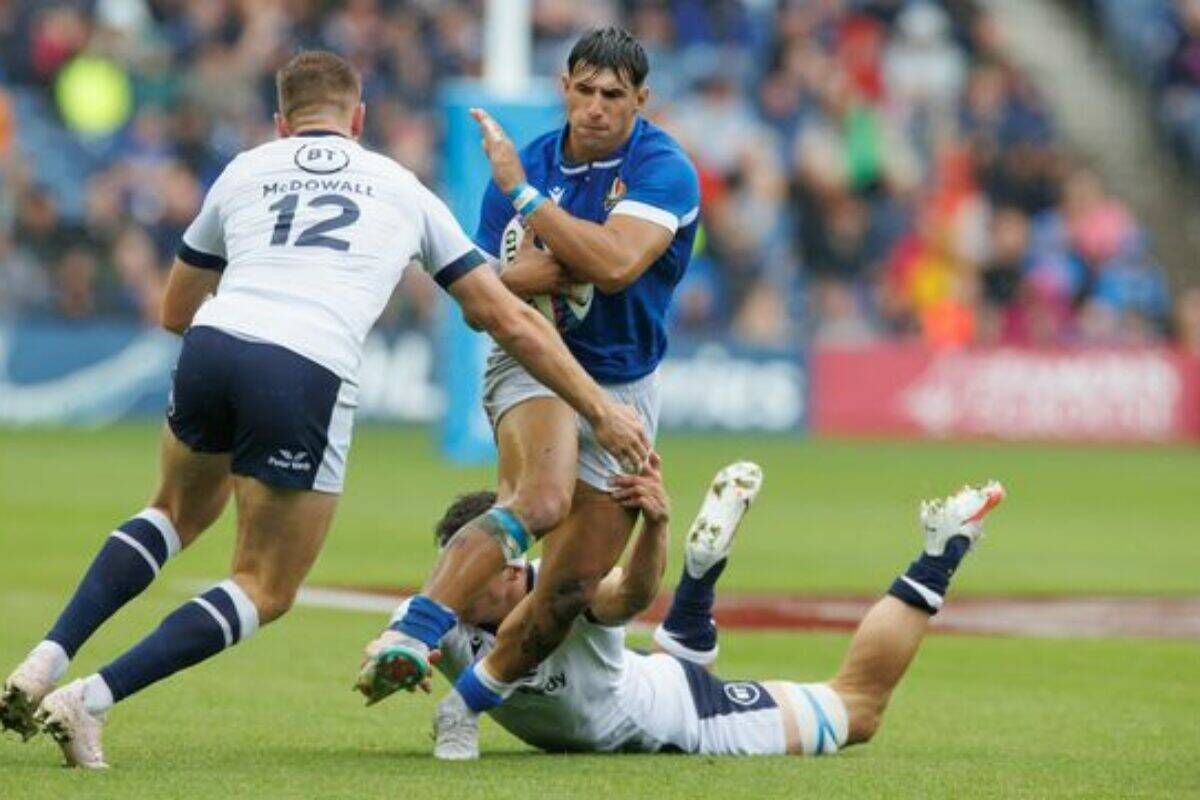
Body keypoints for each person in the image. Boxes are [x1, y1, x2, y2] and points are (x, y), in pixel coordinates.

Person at [0, 50, 648, 770]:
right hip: (305, 362)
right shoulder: (399, 187)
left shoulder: (245, 169)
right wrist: (600, 407)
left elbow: (174, 309)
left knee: (171, 513)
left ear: (282, 121)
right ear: (360, 118)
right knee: (265, 585)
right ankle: (86, 700)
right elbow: (511, 320)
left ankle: (44, 658)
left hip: (216, 340)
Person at [358, 27, 702, 746]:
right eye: (585, 90)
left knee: (569, 592)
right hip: (535, 357)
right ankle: (413, 631)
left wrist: (524, 195)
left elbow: (613, 265)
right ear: (565, 88)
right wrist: (531, 271)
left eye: (614, 96)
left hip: (627, 380)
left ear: (642, 100)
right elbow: (481, 288)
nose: (597, 107)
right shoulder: (539, 158)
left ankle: (464, 708)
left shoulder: (662, 168)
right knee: (539, 499)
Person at [364, 460, 1005, 759]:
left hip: (681, 719)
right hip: (644, 680)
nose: (448, 580)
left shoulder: (566, 585)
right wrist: (386, 664)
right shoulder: (437, 608)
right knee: (669, 663)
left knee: (856, 710)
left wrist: (654, 528)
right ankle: (701, 578)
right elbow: (387, 646)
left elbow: (630, 596)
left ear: (508, 567)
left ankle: (942, 547)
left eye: (465, 565)